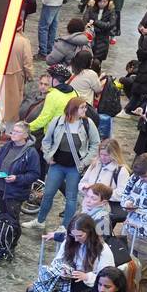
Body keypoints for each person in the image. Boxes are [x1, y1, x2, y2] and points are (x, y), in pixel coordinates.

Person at [31, 96, 100, 230]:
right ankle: (40, 221)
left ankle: (65, 226)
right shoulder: (58, 121)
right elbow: (46, 141)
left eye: (85, 107)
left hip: (75, 167)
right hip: (57, 165)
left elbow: (95, 144)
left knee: (71, 197)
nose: (85, 110)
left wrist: (85, 162)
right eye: (82, 107)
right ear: (73, 109)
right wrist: (47, 156)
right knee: (48, 194)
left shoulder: (87, 123)